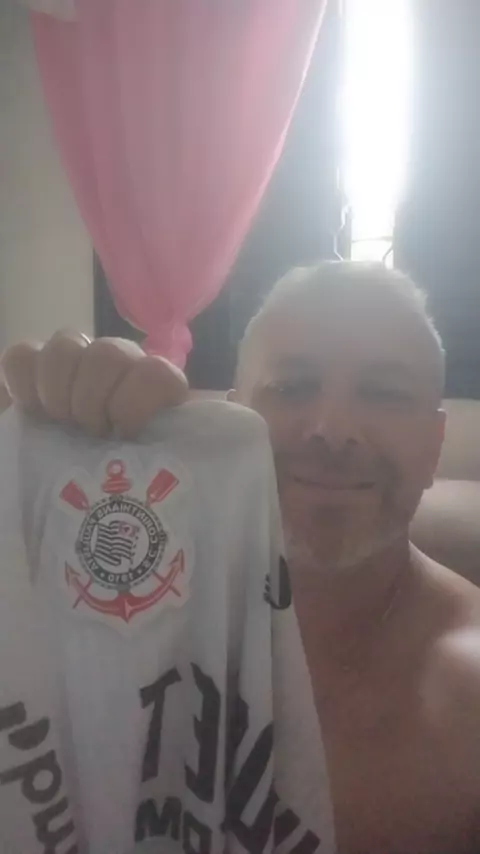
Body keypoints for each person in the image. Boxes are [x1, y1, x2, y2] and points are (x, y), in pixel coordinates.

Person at [2, 260, 480, 854]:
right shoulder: (110, 604)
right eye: (291, 387)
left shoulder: (467, 695)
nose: (333, 430)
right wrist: (43, 457)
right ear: (230, 427)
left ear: (435, 446)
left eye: (385, 393)